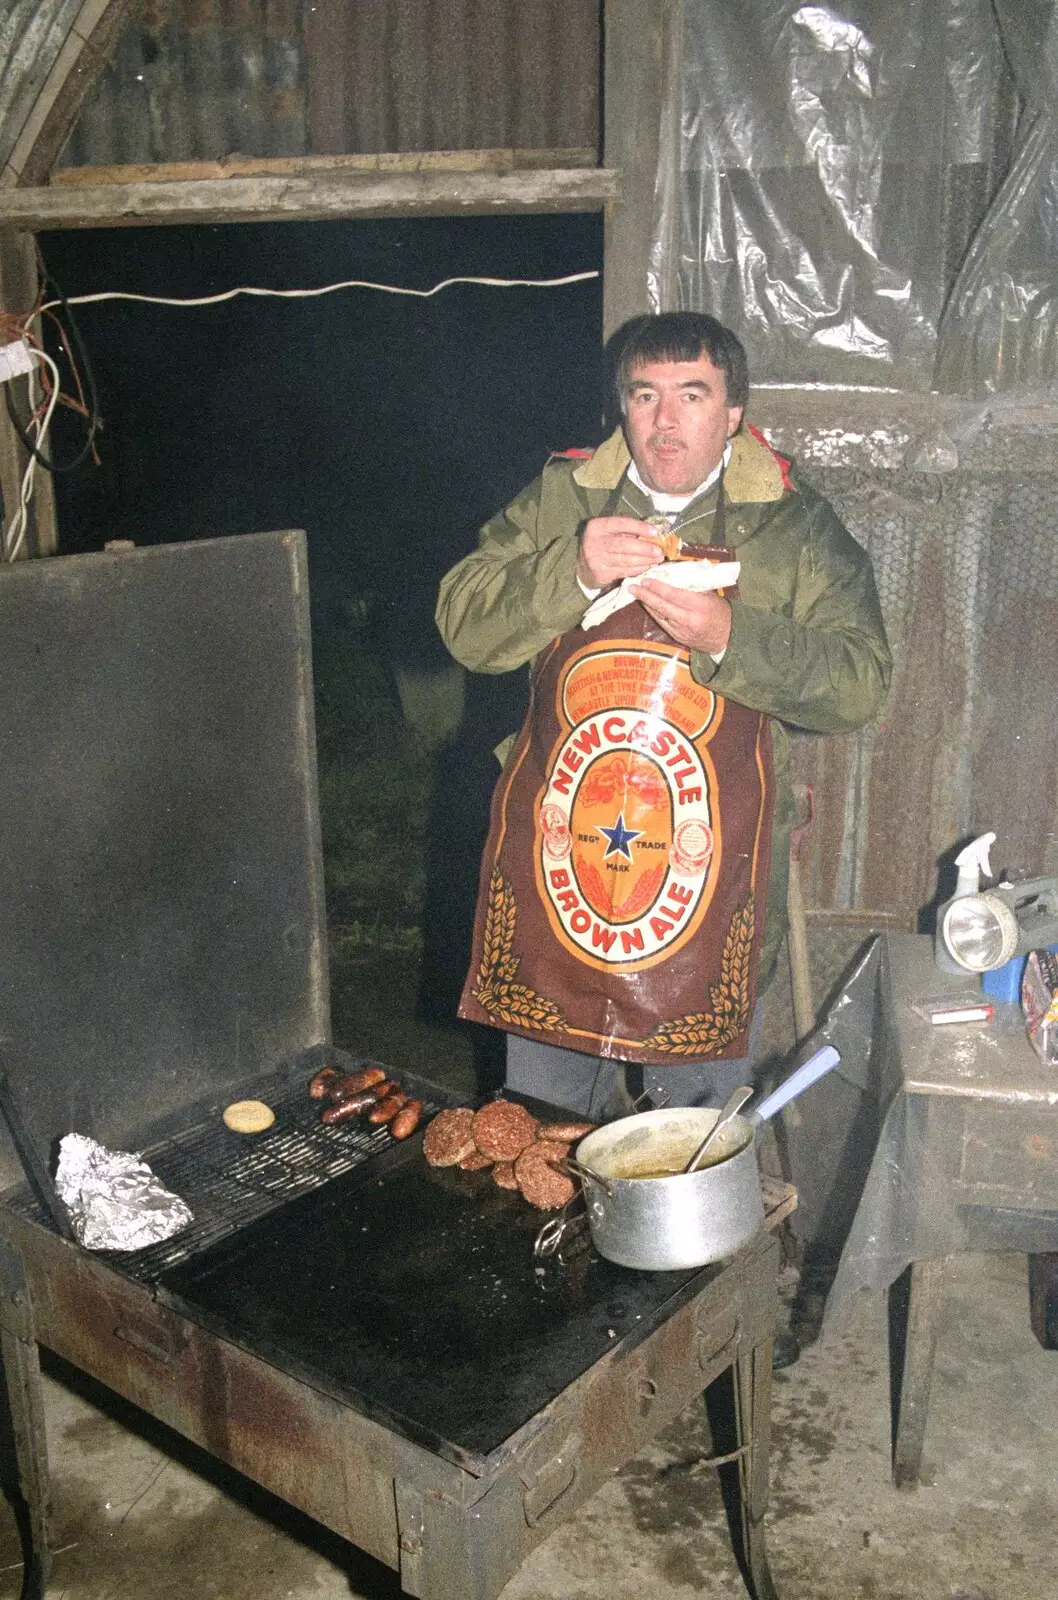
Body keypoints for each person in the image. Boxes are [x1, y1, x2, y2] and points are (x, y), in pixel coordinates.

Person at [436, 312, 891, 1121]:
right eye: (645, 396)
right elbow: (466, 629)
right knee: (538, 1132)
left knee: (691, 1146)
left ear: (735, 414)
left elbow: (860, 685)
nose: (665, 420)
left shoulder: (793, 522)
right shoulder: (561, 497)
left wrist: (730, 634)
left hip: (707, 887)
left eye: (692, 394)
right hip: (557, 878)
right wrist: (569, 571)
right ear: (624, 408)